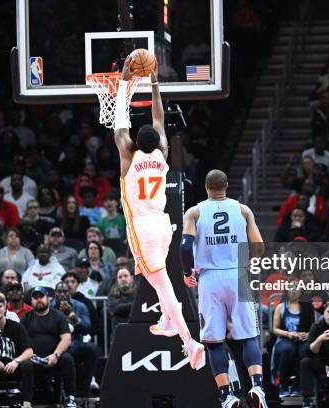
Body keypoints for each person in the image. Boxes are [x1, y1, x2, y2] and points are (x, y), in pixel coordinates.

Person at [113, 58, 205, 368]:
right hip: (163, 225)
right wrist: (153, 84)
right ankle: (168, 319)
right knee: (158, 281)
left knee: (162, 285)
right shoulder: (163, 152)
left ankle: (189, 342)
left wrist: (125, 81)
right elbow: (158, 118)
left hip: (142, 227)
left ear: (135, 143)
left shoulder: (128, 156)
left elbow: (121, 118)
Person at [181, 169, 266, 407]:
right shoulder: (243, 210)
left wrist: (187, 273)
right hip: (237, 273)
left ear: (206, 187)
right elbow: (258, 245)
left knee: (214, 341)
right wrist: (251, 262)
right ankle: (257, 387)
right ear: (227, 185)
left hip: (209, 278)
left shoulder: (194, 212)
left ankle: (227, 395)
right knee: (249, 335)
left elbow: (185, 248)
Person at [21, 287, 78, 408]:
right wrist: (28, 354)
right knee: (24, 363)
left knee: (67, 359)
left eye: (41, 297)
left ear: (48, 299)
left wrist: (56, 355)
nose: (38, 300)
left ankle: (70, 397)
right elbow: (20, 340)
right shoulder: (26, 318)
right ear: (31, 301)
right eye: (35, 298)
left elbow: (66, 338)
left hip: (54, 356)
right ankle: (26, 402)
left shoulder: (58, 316)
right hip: (32, 357)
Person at [52, 281, 99, 397]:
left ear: (70, 293)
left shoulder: (80, 306)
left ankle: (82, 390)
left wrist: (72, 316)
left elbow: (87, 328)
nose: (62, 294)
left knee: (92, 349)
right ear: (55, 294)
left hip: (74, 344)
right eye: (59, 292)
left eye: (65, 291)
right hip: (54, 345)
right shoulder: (48, 307)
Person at [271, 277, 308, 398]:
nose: (294, 290)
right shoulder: (281, 307)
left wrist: (307, 334)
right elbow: (275, 329)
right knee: (288, 349)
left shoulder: (307, 307)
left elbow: (314, 328)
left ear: (301, 290)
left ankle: (298, 385)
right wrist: (288, 334)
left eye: (297, 287)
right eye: (291, 287)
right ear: (287, 289)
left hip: (302, 340)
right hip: (284, 339)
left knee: (304, 351)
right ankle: (284, 385)